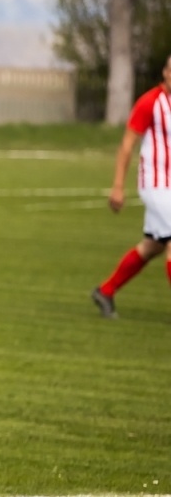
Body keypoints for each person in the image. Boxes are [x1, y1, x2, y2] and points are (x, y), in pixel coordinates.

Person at [92, 53, 171, 318]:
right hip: (155, 184)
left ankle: (105, 291)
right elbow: (127, 145)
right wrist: (117, 186)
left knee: (154, 246)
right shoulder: (150, 103)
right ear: (165, 73)